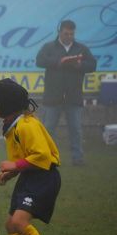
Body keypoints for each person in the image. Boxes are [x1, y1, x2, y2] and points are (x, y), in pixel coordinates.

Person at [0, 78, 62, 235]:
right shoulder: (13, 126)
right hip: (30, 177)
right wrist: (10, 174)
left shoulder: (26, 126)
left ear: (6, 105)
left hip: (44, 178)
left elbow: (43, 156)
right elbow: (26, 159)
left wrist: (14, 165)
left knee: (19, 222)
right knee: (11, 224)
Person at [36, 19, 97, 166]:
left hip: (73, 96)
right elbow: (39, 61)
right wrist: (59, 62)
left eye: (71, 34)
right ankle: (48, 158)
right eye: (66, 33)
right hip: (52, 96)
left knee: (75, 130)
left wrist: (79, 65)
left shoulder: (81, 49)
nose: (69, 36)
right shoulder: (49, 47)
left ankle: (77, 159)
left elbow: (92, 65)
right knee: (48, 129)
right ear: (59, 32)